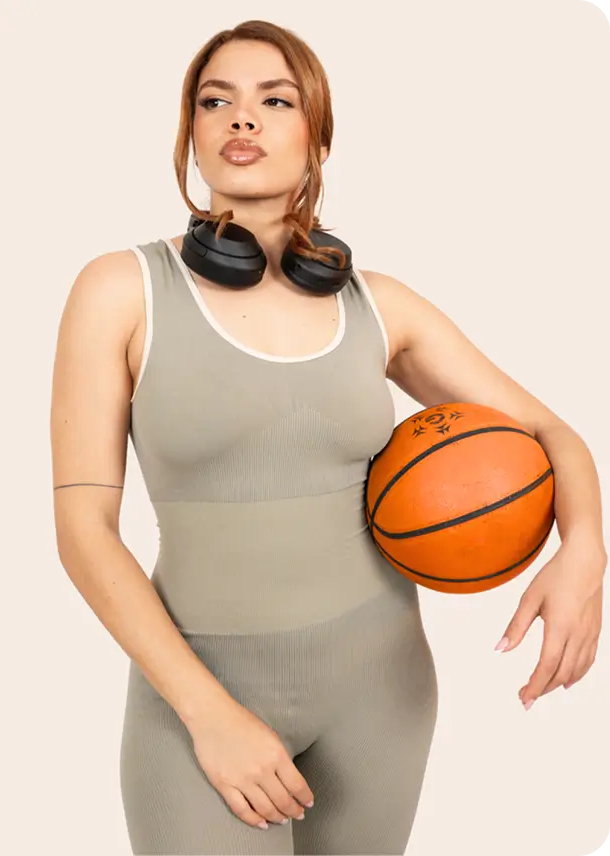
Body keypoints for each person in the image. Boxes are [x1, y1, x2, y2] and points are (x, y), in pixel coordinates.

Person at [50, 18, 606, 856]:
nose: (243, 117)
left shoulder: (380, 305)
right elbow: (83, 531)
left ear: (317, 139)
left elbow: (552, 431)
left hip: (382, 693)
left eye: (275, 100)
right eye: (216, 101)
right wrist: (209, 714)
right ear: (191, 136)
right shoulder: (121, 291)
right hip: (196, 702)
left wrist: (584, 551)